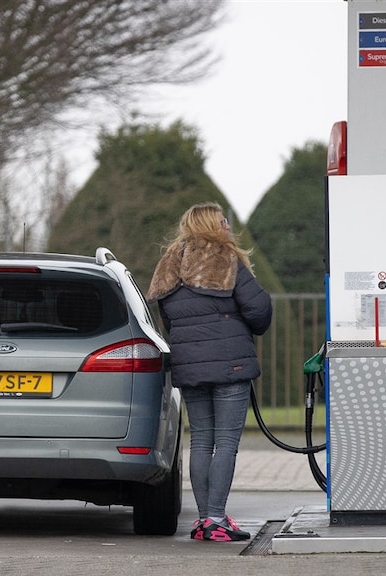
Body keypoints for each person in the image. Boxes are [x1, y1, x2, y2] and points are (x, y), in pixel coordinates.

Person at [147, 202, 272, 542]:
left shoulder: (170, 263)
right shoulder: (226, 258)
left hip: (190, 365)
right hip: (230, 364)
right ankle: (217, 518)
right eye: (222, 220)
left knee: (201, 440)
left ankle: (205, 521)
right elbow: (259, 311)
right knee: (226, 443)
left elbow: (168, 321)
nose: (228, 225)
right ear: (212, 225)